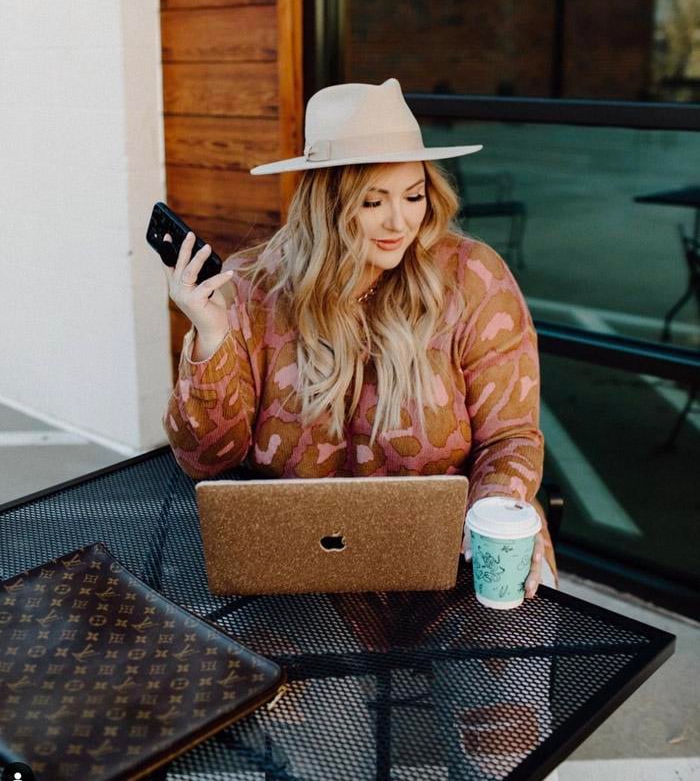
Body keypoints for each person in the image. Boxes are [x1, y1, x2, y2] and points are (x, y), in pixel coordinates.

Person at [160, 76, 560, 780]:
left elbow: (511, 436)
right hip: (310, 580)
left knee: (508, 745)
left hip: (462, 570)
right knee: (298, 749)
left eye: (413, 195)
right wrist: (212, 335)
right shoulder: (252, 286)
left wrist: (505, 512)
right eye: (372, 200)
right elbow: (204, 457)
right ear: (325, 200)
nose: (398, 221)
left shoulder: (472, 279)